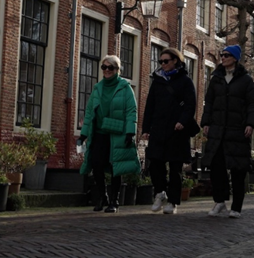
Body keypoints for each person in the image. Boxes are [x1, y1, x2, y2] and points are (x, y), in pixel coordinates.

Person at [200, 44, 254, 219]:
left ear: (234, 58)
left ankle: (237, 207)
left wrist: (250, 124)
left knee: (238, 170)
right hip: (218, 129)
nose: (222, 57)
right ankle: (219, 202)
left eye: (226, 55)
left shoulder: (246, 80)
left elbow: (252, 105)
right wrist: (206, 122)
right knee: (216, 167)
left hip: (237, 130)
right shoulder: (216, 78)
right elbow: (208, 102)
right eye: (221, 55)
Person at [79, 55, 141, 213]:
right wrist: (83, 134)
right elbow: (89, 113)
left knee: (116, 167)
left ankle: (114, 201)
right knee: (97, 165)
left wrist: (130, 133)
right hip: (99, 133)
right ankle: (102, 196)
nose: (107, 70)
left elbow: (131, 111)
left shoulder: (124, 87)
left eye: (110, 67)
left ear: (117, 70)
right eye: (104, 67)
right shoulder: (97, 88)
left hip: (117, 133)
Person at [141, 48, 197, 215]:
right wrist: (145, 128)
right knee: (155, 163)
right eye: (161, 62)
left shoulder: (185, 81)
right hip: (158, 128)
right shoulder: (157, 81)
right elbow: (150, 105)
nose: (163, 64)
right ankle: (160, 192)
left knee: (175, 167)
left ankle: (173, 201)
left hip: (176, 131)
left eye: (166, 61)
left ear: (175, 61)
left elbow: (190, 105)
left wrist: (182, 122)